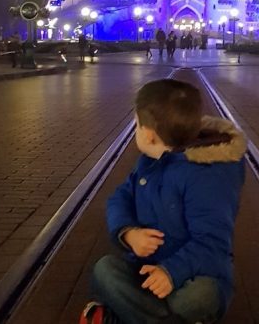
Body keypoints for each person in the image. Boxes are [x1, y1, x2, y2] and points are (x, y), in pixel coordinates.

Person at [81, 79, 247, 324]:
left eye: (136, 124)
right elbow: (120, 196)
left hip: (194, 274)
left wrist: (171, 272)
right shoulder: (150, 161)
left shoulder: (207, 176)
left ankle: (123, 315)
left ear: (148, 135)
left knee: (197, 298)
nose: (135, 129)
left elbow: (212, 244)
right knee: (104, 270)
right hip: (146, 268)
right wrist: (128, 233)